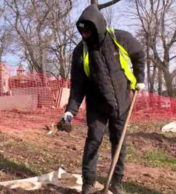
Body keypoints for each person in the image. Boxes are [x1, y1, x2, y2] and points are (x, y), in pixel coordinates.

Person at [61, 4, 145, 194]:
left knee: (119, 142)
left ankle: (116, 183)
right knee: (94, 139)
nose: (84, 35)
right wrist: (70, 111)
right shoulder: (80, 52)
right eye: (81, 31)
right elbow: (77, 87)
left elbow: (139, 54)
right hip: (97, 105)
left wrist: (140, 80)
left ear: (98, 27)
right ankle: (88, 183)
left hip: (122, 101)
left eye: (88, 31)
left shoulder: (120, 38)